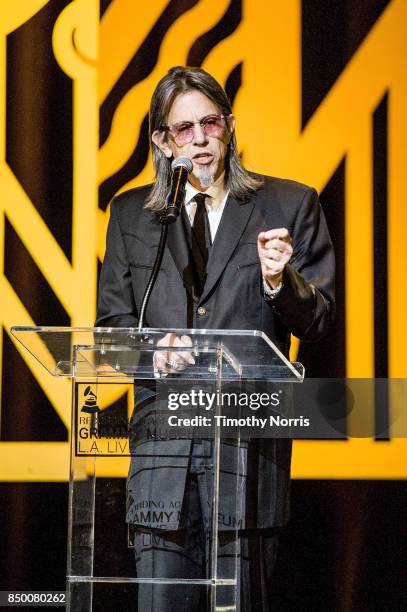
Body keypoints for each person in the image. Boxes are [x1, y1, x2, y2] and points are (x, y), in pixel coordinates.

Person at [96, 66, 335, 611]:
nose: (201, 139)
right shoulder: (132, 215)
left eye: (211, 123)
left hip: (247, 457)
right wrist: (153, 351)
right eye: (184, 129)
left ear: (229, 125)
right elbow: (111, 328)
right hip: (163, 460)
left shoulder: (289, 205)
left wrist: (280, 281)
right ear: (161, 140)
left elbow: (319, 322)